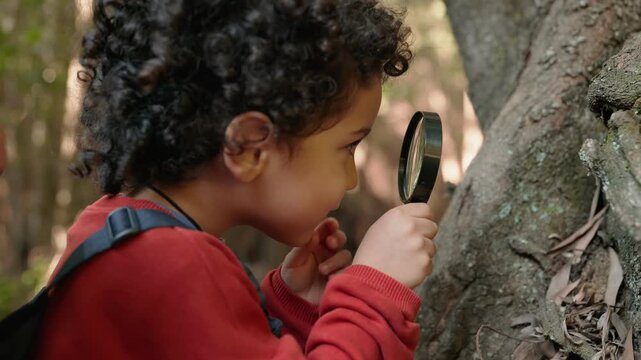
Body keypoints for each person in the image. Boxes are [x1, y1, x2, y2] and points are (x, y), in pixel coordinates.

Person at [37, 0, 438, 358]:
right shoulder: (175, 266)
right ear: (249, 148)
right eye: (348, 147)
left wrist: (290, 309)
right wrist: (375, 291)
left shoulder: (110, 229)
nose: (351, 179)